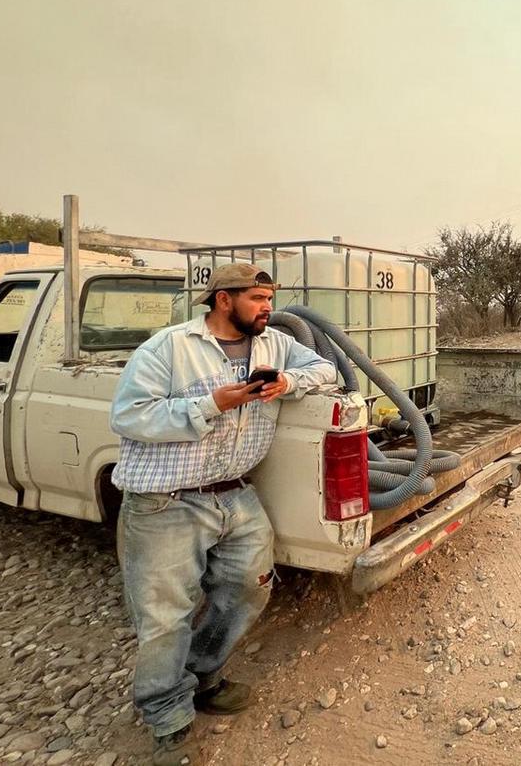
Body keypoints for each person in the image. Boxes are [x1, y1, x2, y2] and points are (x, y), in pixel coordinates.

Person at [109, 264, 337, 765]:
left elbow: (329, 370)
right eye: (257, 297)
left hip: (234, 494)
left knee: (248, 587)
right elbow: (128, 416)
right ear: (223, 300)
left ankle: (203, 675)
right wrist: (210, 404)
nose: (267, 307)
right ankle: (167, 716)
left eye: (270, 298)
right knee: (165, 616)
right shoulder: (169, 348)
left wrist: (288, 382)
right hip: (166, 498)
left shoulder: (273, 344)